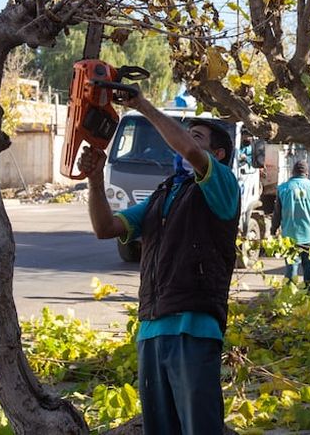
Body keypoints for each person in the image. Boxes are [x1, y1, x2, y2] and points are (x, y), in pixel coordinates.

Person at [79, 90, 239, 435]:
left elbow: (190, 151)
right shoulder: (162, 196)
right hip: (152, 330)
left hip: (193, 327)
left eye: (196, 136)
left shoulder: (223, 185)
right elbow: (105, 228)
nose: (183, 144)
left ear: (218, 155)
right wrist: (95, 179)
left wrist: (140, 105)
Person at [271, 160, 310, 292]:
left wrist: (273, 231)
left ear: (293, 172)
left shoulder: (283, 188)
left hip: (290, 237)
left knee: (291, 268)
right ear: (307, 173)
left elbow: (277, 213)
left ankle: (290, 296)